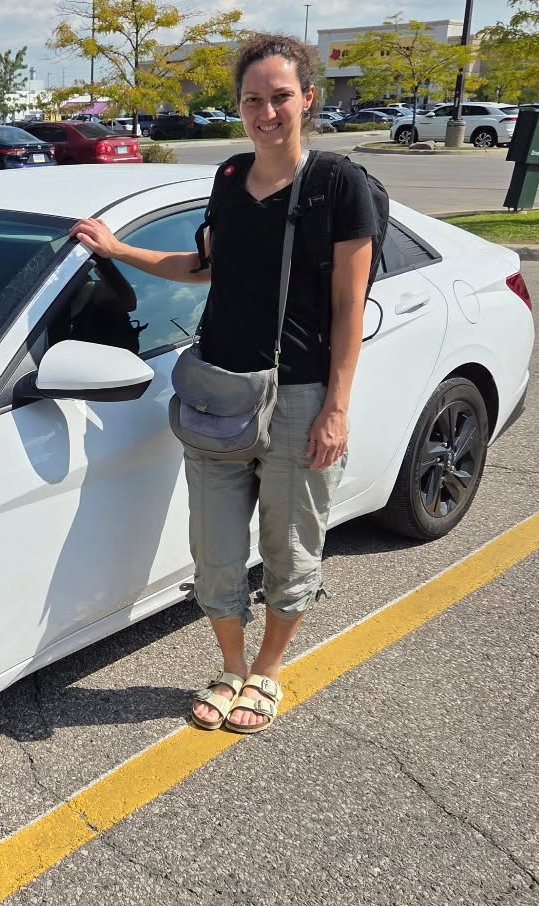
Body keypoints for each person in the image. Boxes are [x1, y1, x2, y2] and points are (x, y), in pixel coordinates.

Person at [69, 34, 377, 734]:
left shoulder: (337, 184)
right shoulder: (232, 177)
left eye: (279, 97)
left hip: (299, 396)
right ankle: (229, 666)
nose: (265, 111)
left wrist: (336, 408)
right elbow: (203, 266)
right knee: (213, 551)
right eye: (252, 99)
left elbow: (347, 306)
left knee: (290, 548)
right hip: (217, 389)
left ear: (307, 99)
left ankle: (266, 671)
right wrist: (118, 250)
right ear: (238, 105)